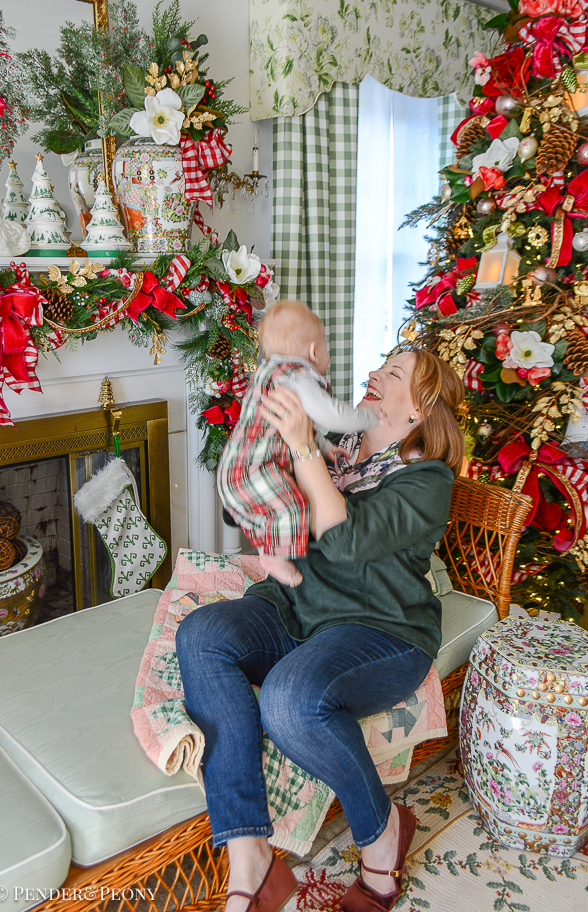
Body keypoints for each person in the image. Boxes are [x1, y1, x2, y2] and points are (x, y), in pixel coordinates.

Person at [176, 345, 465, 912]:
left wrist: (305, 448)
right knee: (201, 633)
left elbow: (348, 539)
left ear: (422, 410)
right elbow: (258, 498)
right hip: (296, 609)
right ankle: (250, 853)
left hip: (380, 630)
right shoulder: (340, 450)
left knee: (291, 700)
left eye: (394, 373)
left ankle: (382, 832)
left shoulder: (427, 479)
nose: (374, 375)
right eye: (380, 365)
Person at [217, 300, 376, 587]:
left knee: (278, 509)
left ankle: (264, 544)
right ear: (314, 351)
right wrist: (370, 418)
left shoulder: (270, 374)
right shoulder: (298, 375)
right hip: (256, 469)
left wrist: (326, 447)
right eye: (325, 346)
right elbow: (331, 414)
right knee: (294, 508)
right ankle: (272, 556)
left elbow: (303, 424)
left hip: (236, 466)